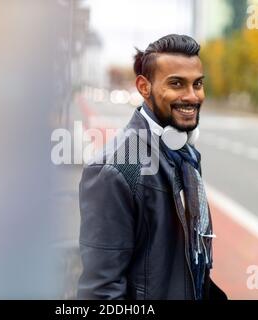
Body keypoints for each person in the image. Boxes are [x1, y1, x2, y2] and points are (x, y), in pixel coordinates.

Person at [77, 34, 227, 300]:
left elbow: (192, 262)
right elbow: (101, 292)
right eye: (177, 84)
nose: (192, 96)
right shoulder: (117, 169)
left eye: (198, 84)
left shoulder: (185, 153)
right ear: (144, 87)